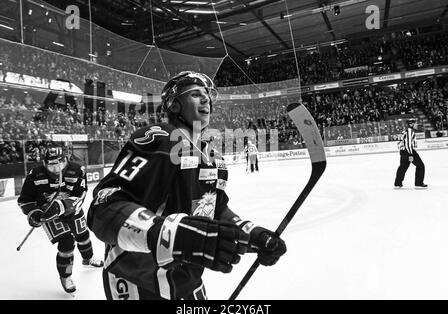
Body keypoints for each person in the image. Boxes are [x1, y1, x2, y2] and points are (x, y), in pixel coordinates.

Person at [87, 71, 287, 300]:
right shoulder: (160, 138)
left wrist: (254, 235)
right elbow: (104, 206)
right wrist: (168, 234)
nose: (206, 100)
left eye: (207, 96)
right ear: (174, 105)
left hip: (187, 284)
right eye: (195, 94)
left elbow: (214, 209)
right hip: (139, 282)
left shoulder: (213, 158)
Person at [17, 145, 104, 295]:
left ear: (66, 160)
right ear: (45, 163)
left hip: (72, 210)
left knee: (83, 236)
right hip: (49, 214)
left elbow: (81, 194)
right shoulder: (35, 175)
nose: (56, 169)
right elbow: (24, 200)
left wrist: (64, 205)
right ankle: (66, 276)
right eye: (51, 165)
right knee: (67, 243)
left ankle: (88, 259)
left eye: (60, 163)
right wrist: (34, 214)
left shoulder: (77, 171)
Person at [394, 118, 427, 189]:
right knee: (420, 166)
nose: (416, 124)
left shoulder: (405, 131)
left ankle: (397, 184)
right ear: (411, 124)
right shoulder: (410, 131)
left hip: (403, 152)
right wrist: (411, 154)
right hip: (408, 151)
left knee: (403, 167)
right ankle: (418, 183)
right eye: (415, 123)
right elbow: (408, 144)